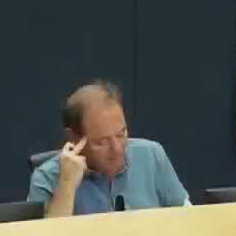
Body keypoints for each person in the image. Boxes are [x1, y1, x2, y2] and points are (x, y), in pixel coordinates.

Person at [29, 80, 190, 217]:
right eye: (102, 142)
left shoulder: (151, 155)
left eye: (121, 134)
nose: (117, 149)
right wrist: (67, 185)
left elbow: (188, 219)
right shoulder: (46, 178)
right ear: (74, 138)